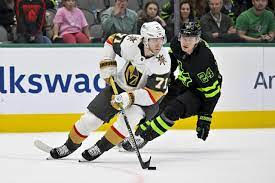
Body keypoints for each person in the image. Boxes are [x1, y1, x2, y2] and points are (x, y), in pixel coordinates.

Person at [48, 21, 171, 161]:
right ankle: (69, 146)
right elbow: (111, 41)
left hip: (145, 98)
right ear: (145, 39)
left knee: (127, 122)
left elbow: (154, 94)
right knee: (90, 120)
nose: (158, 44)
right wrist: (107, 61)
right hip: (120, 86)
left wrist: (128, 98)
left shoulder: (163, 62)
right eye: (154, 39)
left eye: (161, 39)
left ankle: (100, 148)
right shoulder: (131, 44)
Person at [120, 21, 223, 152]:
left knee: (173, 110)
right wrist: (167, 75)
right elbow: (173, 59)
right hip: (185, 81)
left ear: (197, 40)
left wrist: (205, 118)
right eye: (183, 37)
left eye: (190, 39)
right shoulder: (176, 44)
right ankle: (137, 133)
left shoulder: (203, 60)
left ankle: (144, 137)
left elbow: (213, 93)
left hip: (200, 92)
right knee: (159, 105)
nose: (185, 42)